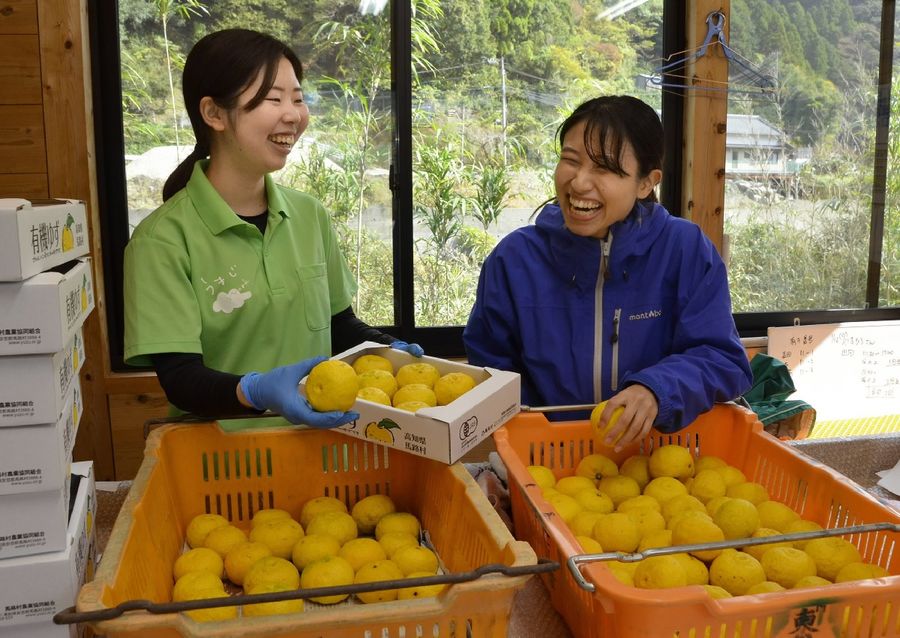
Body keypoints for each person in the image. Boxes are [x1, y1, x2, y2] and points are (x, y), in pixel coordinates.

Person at [123, 29, 422, 431]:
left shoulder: (309, 216)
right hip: (223, 464)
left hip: (320, 444)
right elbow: (180, 379)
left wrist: (384, 348)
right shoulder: (161, 240)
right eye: (273, 98)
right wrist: (256, 390)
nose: (294, 114)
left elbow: (337, 324)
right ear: (213, 114)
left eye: (298, 98)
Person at [464, 95, 752, 450]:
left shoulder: (685, 249)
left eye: (604, 168)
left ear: (646, 183)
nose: (580, 183)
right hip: (548, 461)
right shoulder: (514, 259)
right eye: (570, 160)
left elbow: (722, 359)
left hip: (659, 461)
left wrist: (656, 389)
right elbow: (492, 368)